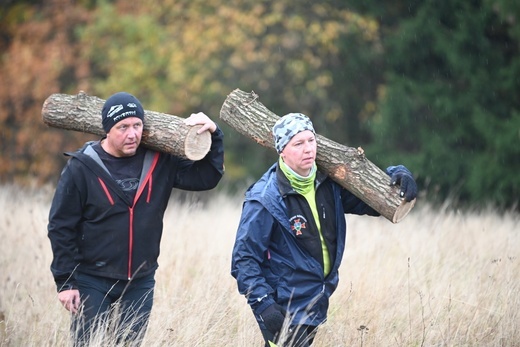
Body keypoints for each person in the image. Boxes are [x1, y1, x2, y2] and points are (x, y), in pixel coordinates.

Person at [47, 91, 224, 345]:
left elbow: (207, 177)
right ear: (107, 129)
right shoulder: (82, 166)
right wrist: (65, 282)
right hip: (92, 279)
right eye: (123, 127)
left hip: (140, 281)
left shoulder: (159, 161)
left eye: (137, 125)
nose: (132, 134)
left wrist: (216, 135)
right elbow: (60, 226)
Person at [230, 113, 417, 347]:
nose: (308, 149)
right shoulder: (265, 199)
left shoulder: (328, 183)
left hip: (317, 295)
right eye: (298, 144)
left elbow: (370, 200)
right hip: (283, 303)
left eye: (311, 140)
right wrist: (264, 304)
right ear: (281, 151)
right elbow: (243, 258)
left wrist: (397, 173)